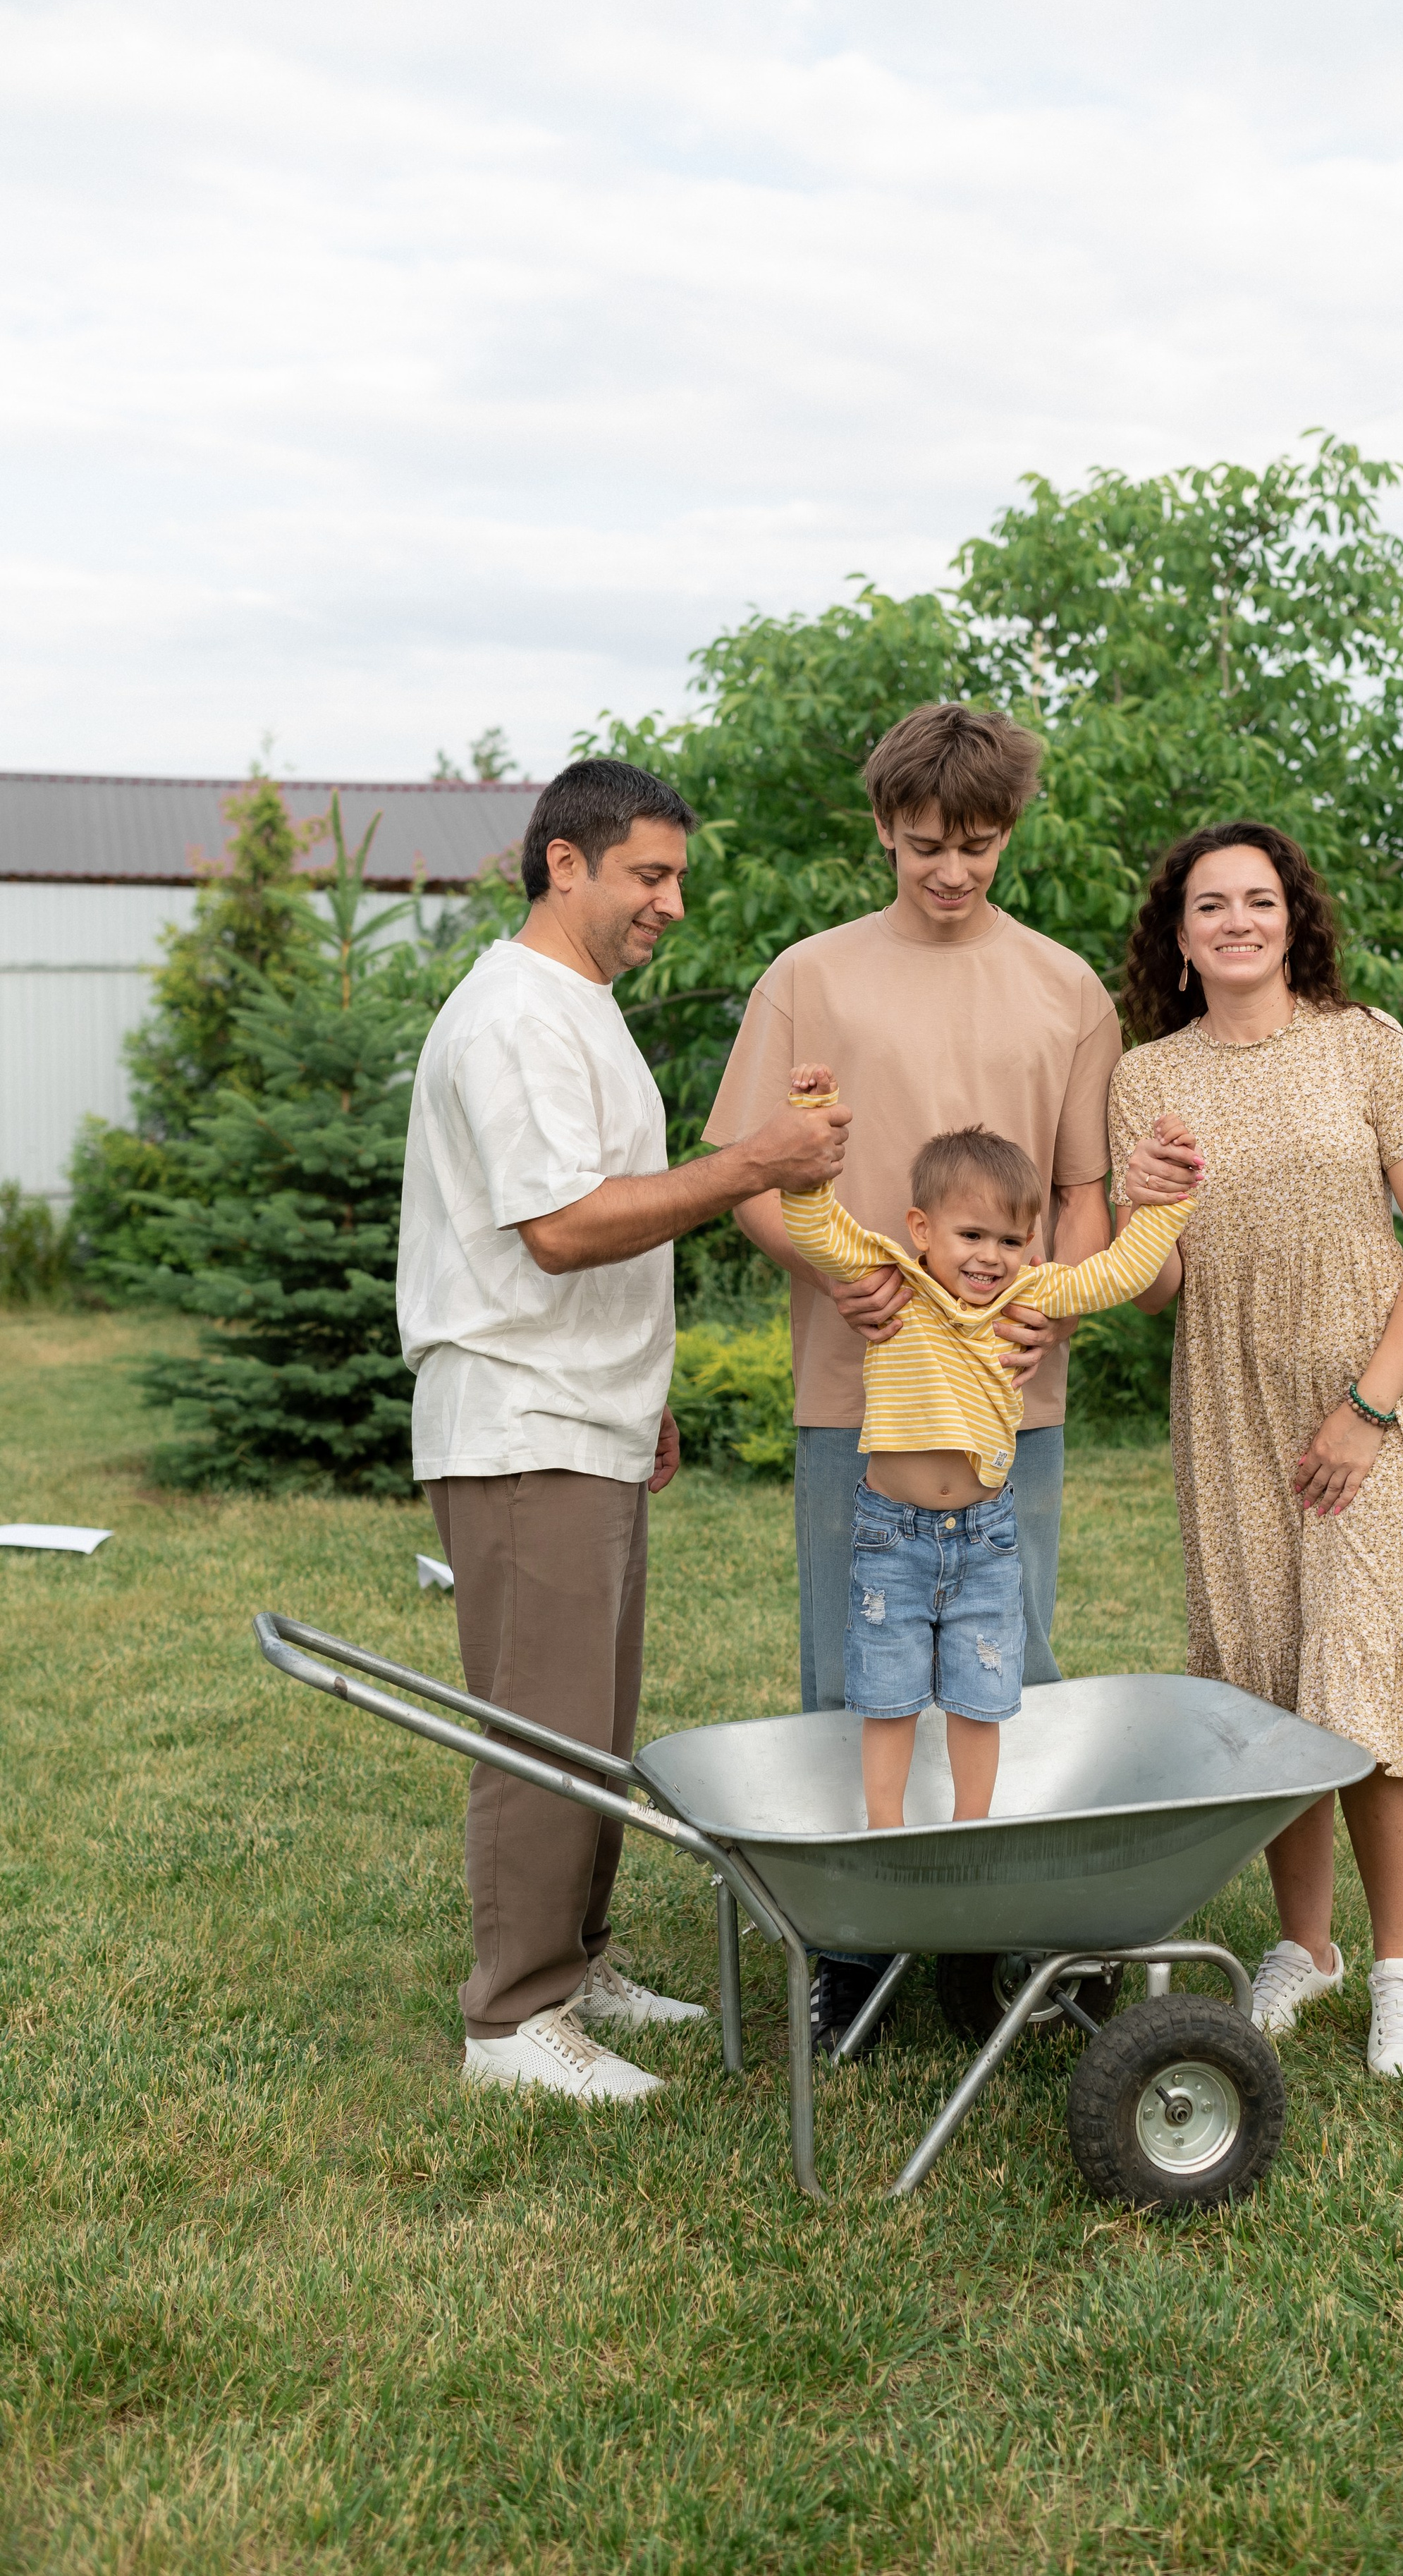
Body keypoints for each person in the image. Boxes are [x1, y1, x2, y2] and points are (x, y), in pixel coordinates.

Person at [398, 757, 851, 2106]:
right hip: (520, 1416)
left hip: (585, 1413)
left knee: (590, 1718)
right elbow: (562, 1229)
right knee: (537, 1726)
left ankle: (576, 1962)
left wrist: (641, 1395)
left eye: (677, 881)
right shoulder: (514, 1019)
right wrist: (753, 1167)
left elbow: (599, 1221)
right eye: (649, 876)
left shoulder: (580, 1008)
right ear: (565, 864)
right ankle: (512, 2019)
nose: (670, 905)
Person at [702, 702, 1126, 2053]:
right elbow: (749, 1180)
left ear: (1010, 835)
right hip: (857, 1399)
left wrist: (1050, 1318)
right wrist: (834, 1273)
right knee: (860, 1668)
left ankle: (1015, 1937)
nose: (954, 871)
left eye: (981, 845)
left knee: (1015, 1661)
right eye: (929, 844)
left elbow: (1083, 1197)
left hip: (1012, 1408)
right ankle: (860, 1948)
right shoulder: (808, 977)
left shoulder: (1066, 991)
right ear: (883, 827)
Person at [1108, 819, 1403, 2079]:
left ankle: (1402, 1966)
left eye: (1257, 900)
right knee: (1272, 1682)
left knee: (1364, 1674)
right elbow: (1149, 1289)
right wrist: (1147, 1203)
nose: (1236, 922)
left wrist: (1367, 1409)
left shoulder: (1364, 1044)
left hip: (1375, 1405)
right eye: (1210, 905)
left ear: (1291, 916)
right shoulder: (1146, 1080)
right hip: (1228, 1406)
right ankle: (1305, 1948)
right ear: (1179, 934)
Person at [778, 1068, 1199, 1826]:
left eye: (1011, 1240)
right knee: (885, 1692)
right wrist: (810, 1119)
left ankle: (973, 1830)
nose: (991, 1256)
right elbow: (813, 1226)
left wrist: (1165, 1204)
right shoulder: (895, 1282)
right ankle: (886, 1832)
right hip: (891, 1534)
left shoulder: (1027, 1297)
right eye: (971, 1235)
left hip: (984, 1537)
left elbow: (1121, 1271)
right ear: (920, 1228)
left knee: (982, 1692)